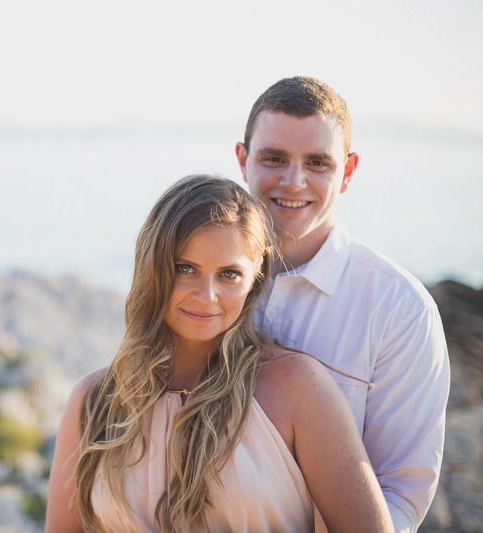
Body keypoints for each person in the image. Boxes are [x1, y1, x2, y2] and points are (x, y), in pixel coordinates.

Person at [46, 175, 393, 532]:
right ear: (152, 266)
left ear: (255, 279)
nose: (206, 296)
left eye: (228, 274)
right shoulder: (93, 401)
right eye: (185, 269)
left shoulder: (296, 388)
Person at [234, 76, 451, 532]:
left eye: (318, 163)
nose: (294, 182)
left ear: (347, 172)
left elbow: (401, 494)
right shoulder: (203, 284)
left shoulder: (400, 310)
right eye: (274, 158)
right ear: (243, 160)